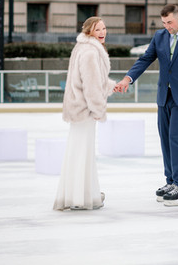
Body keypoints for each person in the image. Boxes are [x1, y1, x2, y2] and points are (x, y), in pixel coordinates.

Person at [116, 4, 178, 206]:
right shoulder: (160, 37)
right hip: (164, 96)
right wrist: (127, 79)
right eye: (164, 23)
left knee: (177, 140)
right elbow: (145, 60)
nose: (167, 26)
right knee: (166, 140)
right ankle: (171, 181)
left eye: (169, 22)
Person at [53, 17, 116, 211]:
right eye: (98, 29)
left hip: (78, 109)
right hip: (85, 110)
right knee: (83, 153)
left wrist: (113, 86)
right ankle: (82, 196)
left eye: (104, 28)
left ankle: (80, 193)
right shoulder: (90, 52)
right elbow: (91, 86)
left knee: (78, 152)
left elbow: (95, 81)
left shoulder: (82, 48)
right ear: (89, 31)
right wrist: (98, 109)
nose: (102, 32)